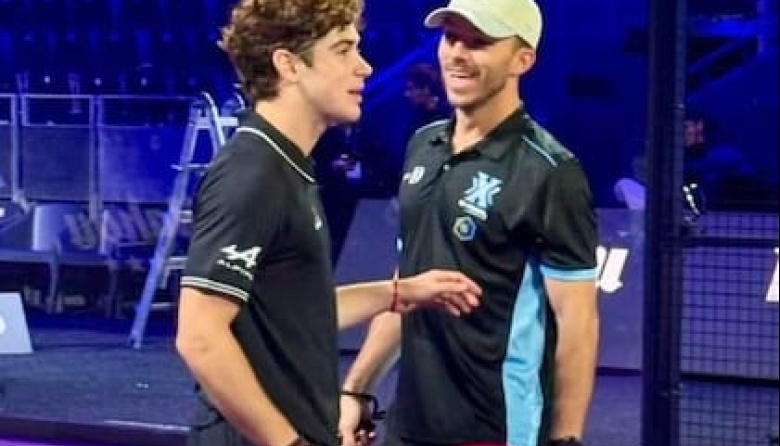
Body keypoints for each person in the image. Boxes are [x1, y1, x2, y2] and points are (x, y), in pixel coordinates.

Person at [174, 1, 483, 446]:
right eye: (343, 50)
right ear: (289, 65)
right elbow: (200, 336)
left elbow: (296, 313)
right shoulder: (253, 173)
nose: (364, 67)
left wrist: (400, 292)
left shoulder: (285, 167)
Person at [339, 1, 600, 446]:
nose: (457, 54)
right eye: (451, 38)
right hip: (409, 426)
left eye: (478, 42)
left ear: (522, 60)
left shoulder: (550, 172)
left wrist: (566, 438)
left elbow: (577, 320)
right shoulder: (423, 145)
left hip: (496, 429)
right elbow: (408, 284)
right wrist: (357, 390)